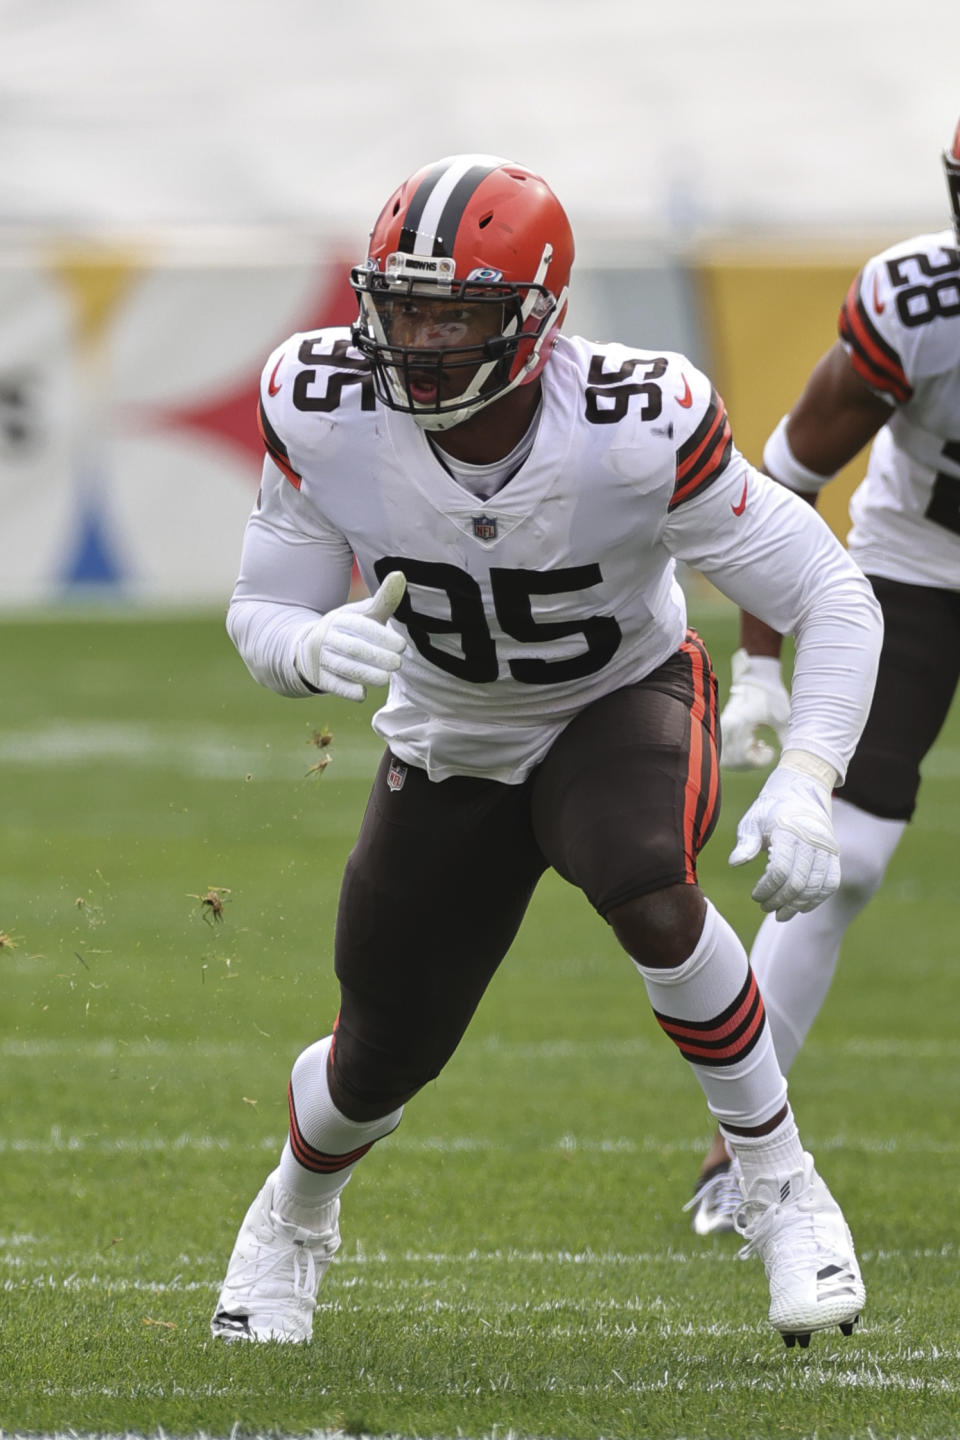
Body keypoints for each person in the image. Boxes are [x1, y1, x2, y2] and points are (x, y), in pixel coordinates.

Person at [211, 154, 882, 1349]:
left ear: (533, 321)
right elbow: (263, 605)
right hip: (448, 728)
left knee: (645, 880)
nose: (415, 338)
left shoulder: (635, 423)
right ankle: (294, 1216)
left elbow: (833, 594)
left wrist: (811, 776)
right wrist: (305, 650)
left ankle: (781, 1186)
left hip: (616, 696)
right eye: (402, 304)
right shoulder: (320, 397)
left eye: (452, 312)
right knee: (375, 1057)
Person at [686, 119, 960, 1237]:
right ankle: (740, 1160)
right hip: (918, 565)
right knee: (839, 862)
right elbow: (779, 490)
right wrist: (759, 666)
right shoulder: (919, 308)